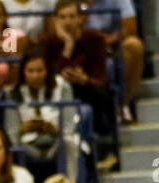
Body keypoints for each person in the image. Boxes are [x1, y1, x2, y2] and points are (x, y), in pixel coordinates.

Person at [43, 0, 115, 167]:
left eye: (71, 16)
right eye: (63, 17)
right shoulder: (49, 42)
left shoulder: (95, 38)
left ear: (80, 18)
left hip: (88, 93)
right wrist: (68, 47)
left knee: (99, 94)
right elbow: (45, 78)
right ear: (55, 21)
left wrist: (85, 79)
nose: (67, 21)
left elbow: (101, 79)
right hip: (57, 95)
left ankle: (102, 150)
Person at [4, 45, 74, 183]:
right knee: (10, 146)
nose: (35, 75)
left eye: (39, 71)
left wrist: (53, 129)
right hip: (26, 145)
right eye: (30, 71)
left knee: (71, 142)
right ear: (23, 71)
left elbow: (68, 127)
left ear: (47, 71)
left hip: (55, 142)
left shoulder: (62, 87)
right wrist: (24, 128)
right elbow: (11, 133)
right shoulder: (12, 93)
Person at [81, 0, 143, 124]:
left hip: (108, 47)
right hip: (80, 49)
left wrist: (103, 42)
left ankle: (122, 105)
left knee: (134, 45)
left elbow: (130, 29)